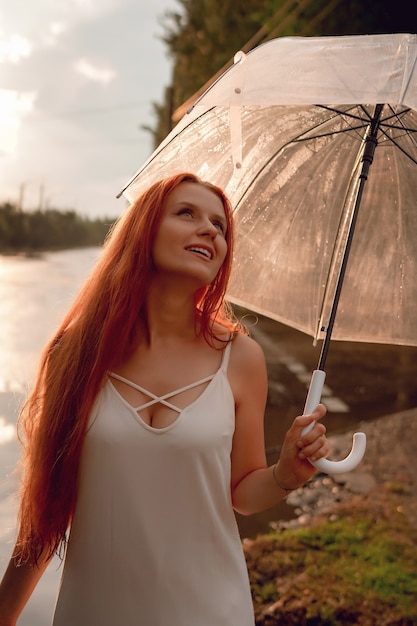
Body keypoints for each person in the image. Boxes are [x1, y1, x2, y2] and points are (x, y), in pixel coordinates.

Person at [0, 172, 330, 626]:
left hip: (213, 611)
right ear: (143, 230)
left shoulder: (240, 358)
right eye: (187, 213)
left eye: (220, 226)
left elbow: (243, 493)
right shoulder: (75, 354)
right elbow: (46, 511)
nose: (210, 230)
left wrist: (286, 473)